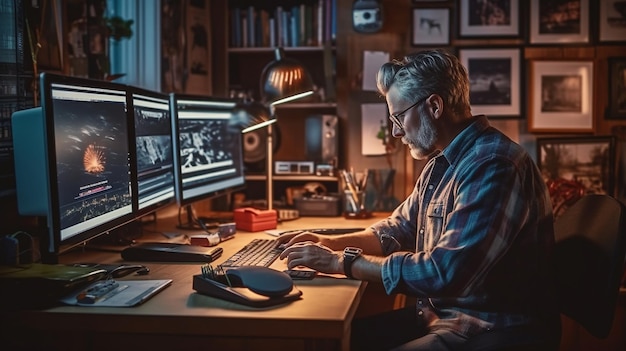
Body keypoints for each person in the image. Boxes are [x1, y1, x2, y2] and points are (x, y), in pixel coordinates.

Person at [277, 49, 560, 350]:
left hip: (489, 329)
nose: (396, 132)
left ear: (435, 106)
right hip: (442, 318)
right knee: (330, 341)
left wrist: (341, 262)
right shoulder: (442, 163)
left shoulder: (494, 165)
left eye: (398, 117)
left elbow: (443, 272)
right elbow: (397, 229)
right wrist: (326, 243)